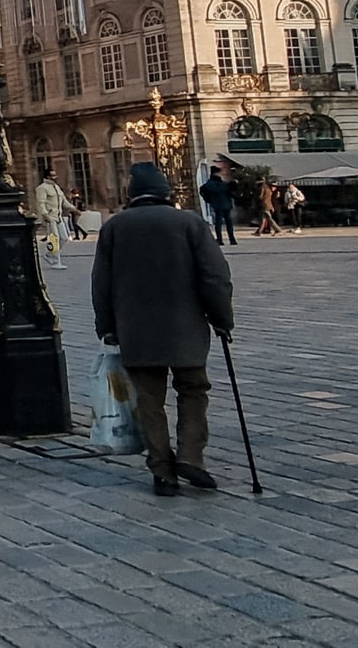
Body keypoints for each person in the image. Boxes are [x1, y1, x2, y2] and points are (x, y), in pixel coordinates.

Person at [92, 163, 236, 498]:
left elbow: (101, 283)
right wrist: (222, 319)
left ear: (132, 194)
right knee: (193, 390)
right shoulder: (189, 223)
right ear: (165, 192)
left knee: (149, 400)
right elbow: (215, 277)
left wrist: (107, 327)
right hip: (185, 326)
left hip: (136, 329)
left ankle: (162, 469)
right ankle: (191, 456)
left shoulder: (115, 228)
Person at [33, 167, 71, 270]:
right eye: (53, 175)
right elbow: (41, 203)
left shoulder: (56, 187)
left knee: (64, 237)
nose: (55, 177)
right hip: (50, 216)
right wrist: (45, 215)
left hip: (58, 216)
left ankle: (49, 255)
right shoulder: (42, 188)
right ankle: (55, 261)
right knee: (54, 239)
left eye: (55, 175)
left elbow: (63, 200)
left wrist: (74, 209)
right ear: (47, 176)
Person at [199, 166, 237, 246]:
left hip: (217, 205)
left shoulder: (210, 184)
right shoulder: (221, 184)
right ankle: (231, 239)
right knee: (228, 222)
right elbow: (228, 191)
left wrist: (209, 200)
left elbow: (203, 191)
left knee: (219, 222)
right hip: (225, 204)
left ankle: (220, 239)